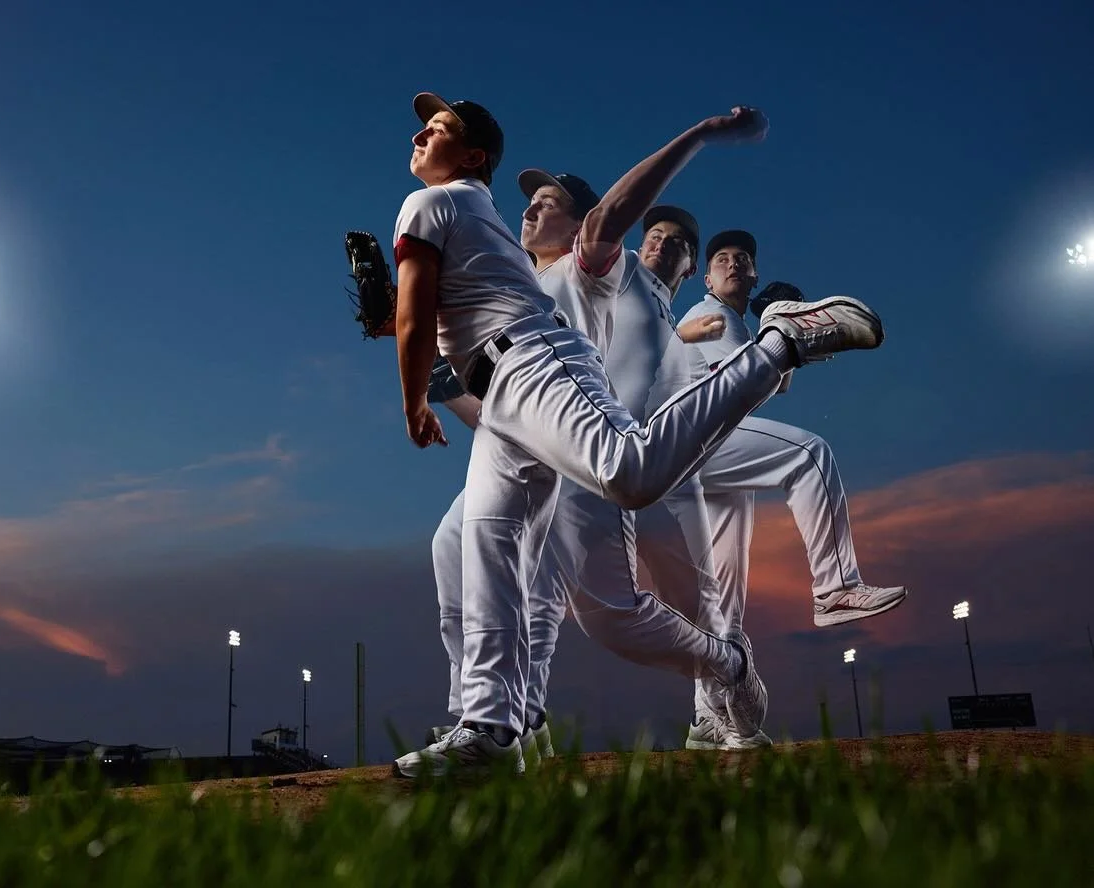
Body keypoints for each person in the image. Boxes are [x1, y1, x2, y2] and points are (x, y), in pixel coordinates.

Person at [386, 91, 884, 778]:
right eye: (529, 197)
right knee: (470, 548)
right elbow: (463, 346)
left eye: (551, 199)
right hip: (515, 409)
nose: (533, 205)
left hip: (568, 412)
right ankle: (494, 729)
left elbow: (610, 216)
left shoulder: (587, 264)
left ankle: (781, 345)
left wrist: (699, 134)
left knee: (614, 599)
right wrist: (423, 360)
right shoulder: (503, 259)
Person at [675, 230, 909, 748]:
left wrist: (772, 332)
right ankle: (835, 588)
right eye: (721, 259)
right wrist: (782, 333)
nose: (733, 263)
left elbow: (758, 385)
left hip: (709, 457)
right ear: (708, 277)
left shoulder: (735, 321)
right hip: (691, 437)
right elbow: (739, 388)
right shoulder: (706, 315)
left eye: (743, 258)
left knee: (722, 594)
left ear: (753, 274)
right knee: (809, 456)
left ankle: (705, 720)